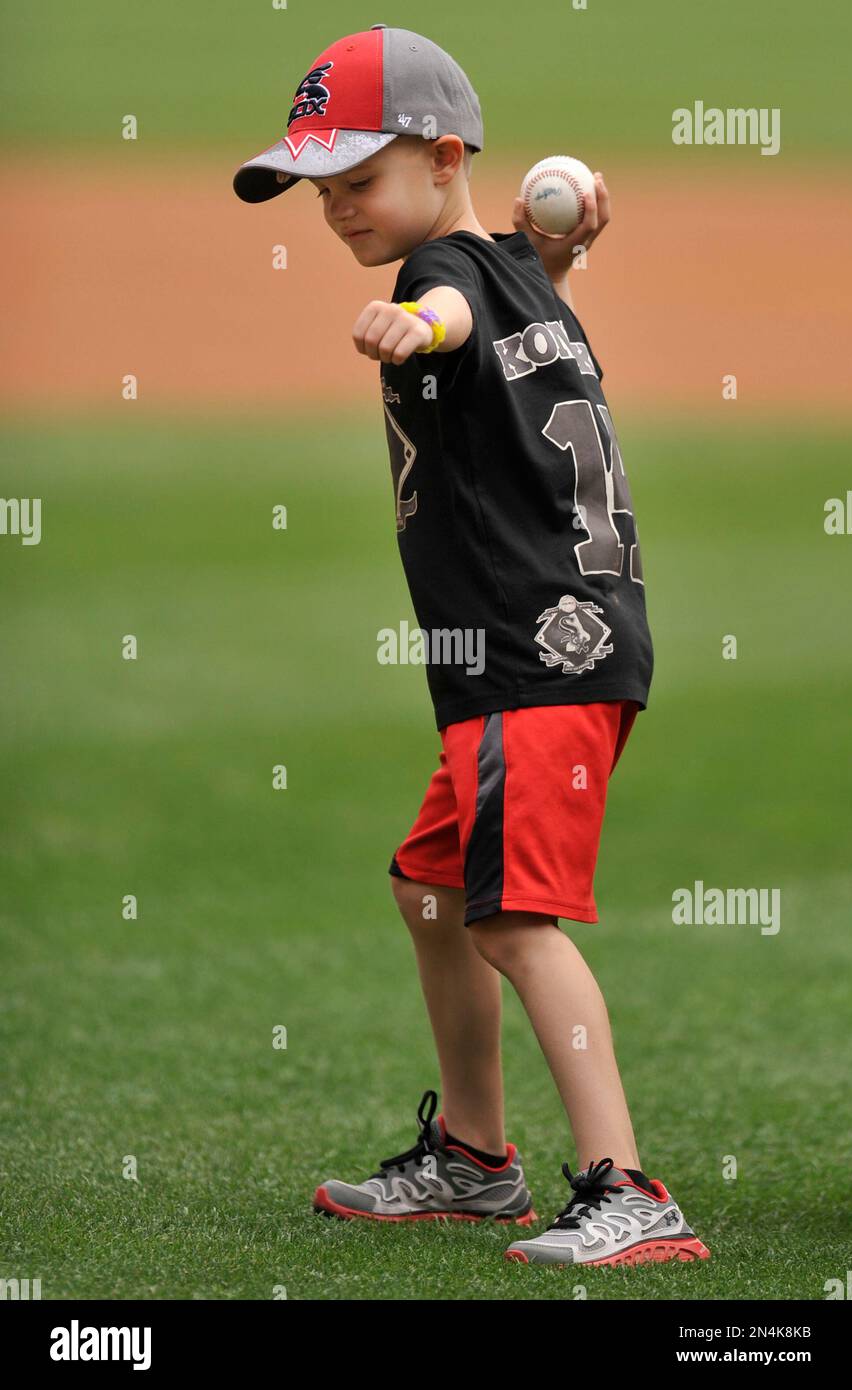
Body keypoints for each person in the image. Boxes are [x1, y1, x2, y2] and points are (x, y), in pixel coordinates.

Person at [232, 24, 710, 1267]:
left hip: (533, 657)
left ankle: (628, 1187)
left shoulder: (446, 277)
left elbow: (447, 309)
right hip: (548, 649)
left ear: (445, 157)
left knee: (511, 920)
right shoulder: (519, 270)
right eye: (320, 189)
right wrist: (552, 250)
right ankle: (474, 1159)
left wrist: (419, 329)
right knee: (431, 885)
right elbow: (497, 294)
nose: (336, 208)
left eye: (358, 180)